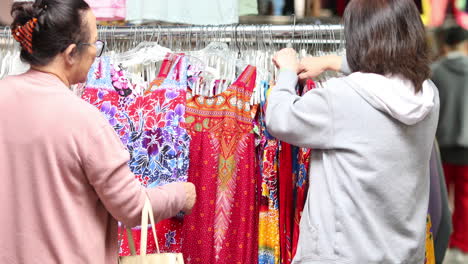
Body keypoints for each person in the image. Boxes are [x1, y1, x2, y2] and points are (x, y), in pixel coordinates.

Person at [0, 0, 196, 263]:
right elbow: (132, 208)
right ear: (70, 53)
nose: (95, 53)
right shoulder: (85, 122)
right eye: (94, 43)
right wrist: (180, 194)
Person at [268, 0, 439, 263]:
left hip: (343, 254)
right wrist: (333, 62)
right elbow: (386, 72)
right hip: (405, 254)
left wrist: (287, 74)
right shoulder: (428, 95)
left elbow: (280, 118)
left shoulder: (341, 97)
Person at [431, 26, 468, 264]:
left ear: (446, 45)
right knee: (465, 198)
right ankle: (462, 242)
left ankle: (439, 240)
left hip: (441, 147)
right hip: (467, 148)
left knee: (440, 199)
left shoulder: (435, 71)